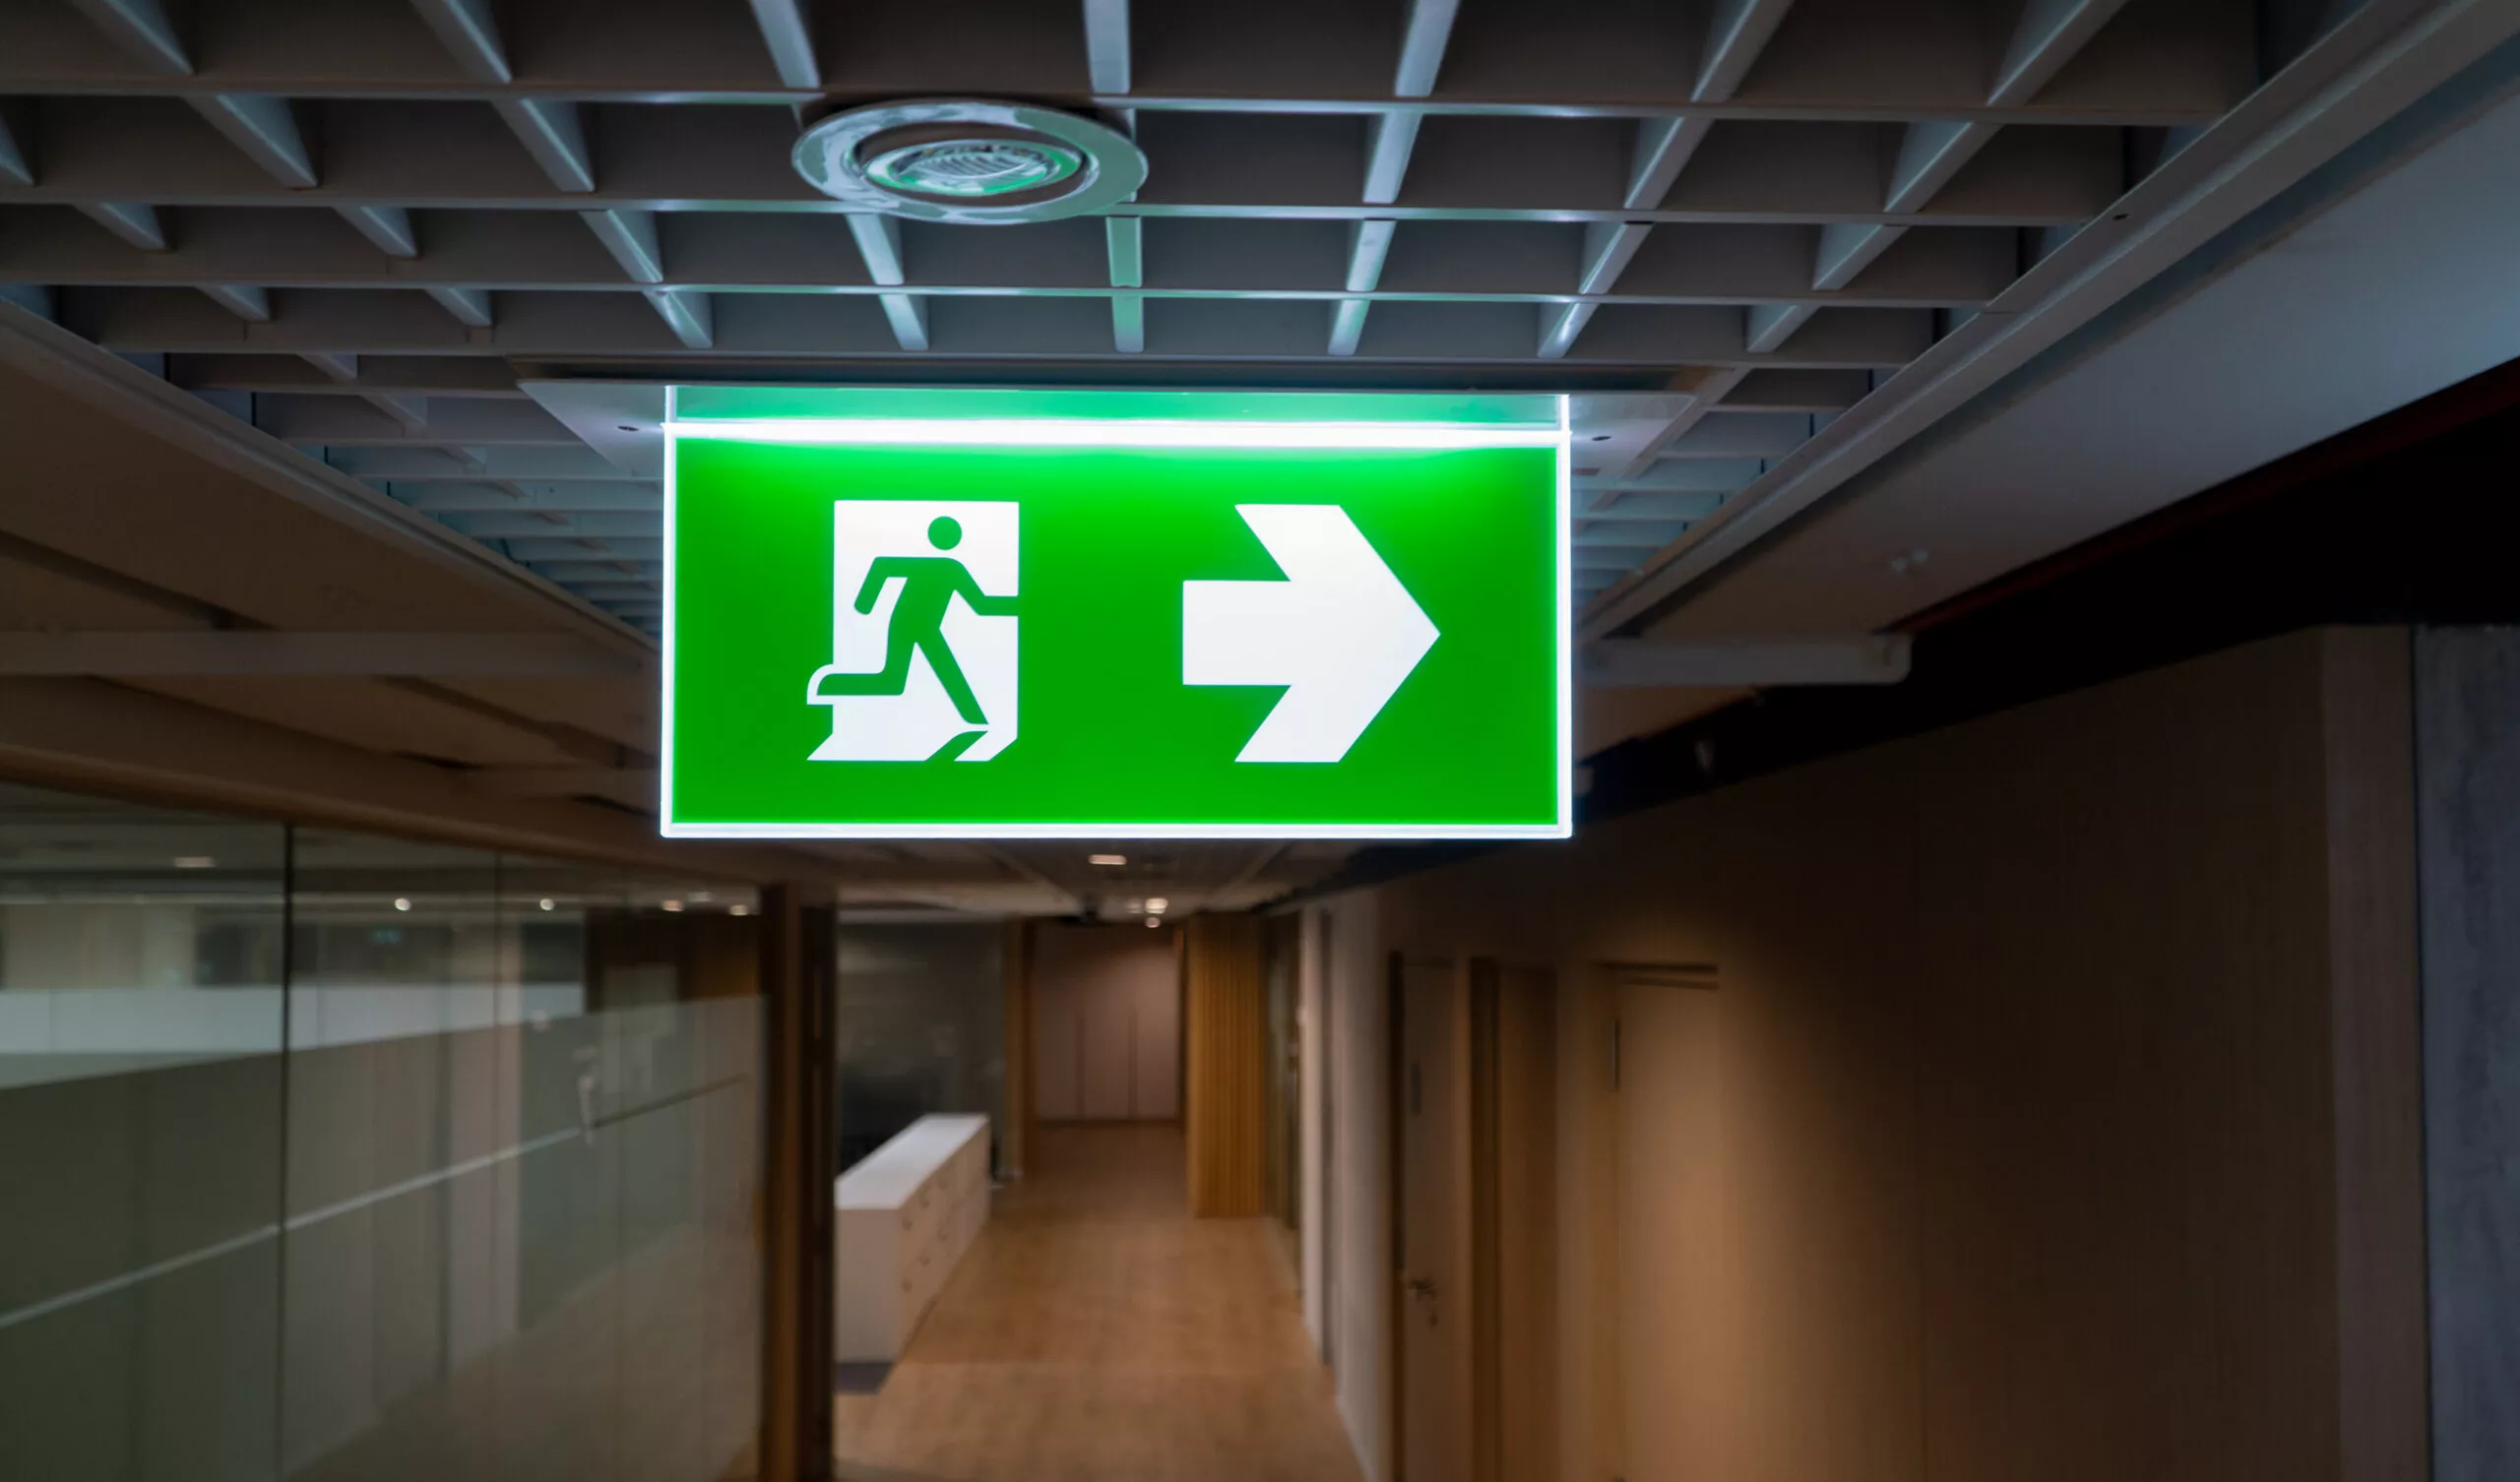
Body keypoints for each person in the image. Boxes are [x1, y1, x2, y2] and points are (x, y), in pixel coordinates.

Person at [809, 515, 1014, 725]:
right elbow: (883, 565)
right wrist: (864, 603)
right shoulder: (949, 568)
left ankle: (976, 720)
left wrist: (1023, 603)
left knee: (894, 682)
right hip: (906, 626)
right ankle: (977, 720)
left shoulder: (952, 569)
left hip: (924, 628)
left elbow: (981, 604)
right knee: (895, 681)